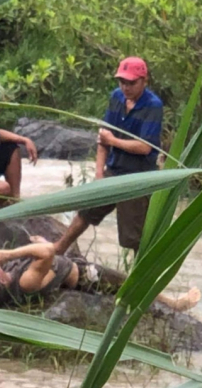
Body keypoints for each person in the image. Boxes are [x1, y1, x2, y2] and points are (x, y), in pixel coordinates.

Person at [54, 56, 162, 256]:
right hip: (114, 169)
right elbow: (103, 137)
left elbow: (145, 147)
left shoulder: (152, 105)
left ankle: (141, 279)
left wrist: (113, 141)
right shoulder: (116, 97)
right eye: (122, 82)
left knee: (134, 236)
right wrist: (98, 173)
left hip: (138, 177)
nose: (126, 87)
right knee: (86, 212)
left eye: (131, 83)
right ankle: (57, 250)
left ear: (144, 82)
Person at [0, 236, 201, 312]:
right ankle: (175, 304)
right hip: (84, 276)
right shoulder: (24, 282)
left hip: (62, 264)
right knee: (132, 281)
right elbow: (47, 251)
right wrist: (10, 255)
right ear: (1, 281)